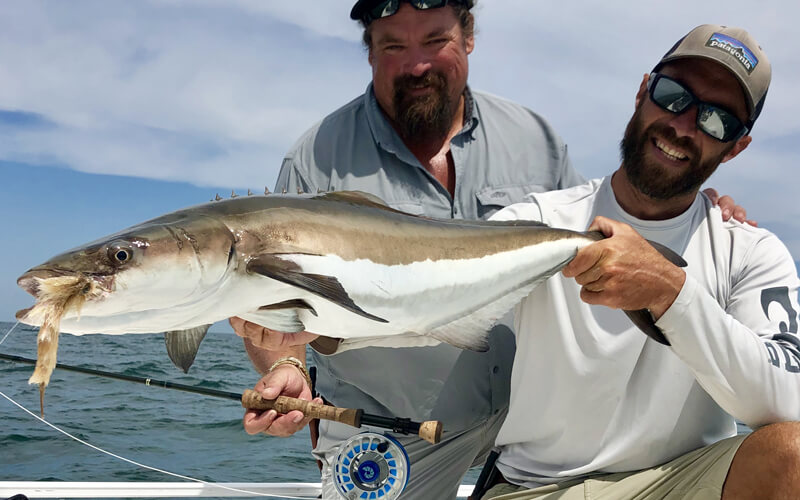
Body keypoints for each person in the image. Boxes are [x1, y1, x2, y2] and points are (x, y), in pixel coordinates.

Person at [232, 3, 748, 497]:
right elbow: (276, 303)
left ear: (470, 36)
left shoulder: (536, 139)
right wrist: (289, 369)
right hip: (390, 425)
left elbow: (595, 238)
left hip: (530, 422)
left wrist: (691, 206)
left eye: (437, 40)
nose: (416, 64)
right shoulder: (314, 157)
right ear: (368, 52)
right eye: (393, 46)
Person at [478, 24, 800, 499]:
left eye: (718, 121)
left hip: (680, 483)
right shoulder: (539, 220)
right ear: (642, 90)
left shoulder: (749, 251)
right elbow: (425, 304)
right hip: (537, 488)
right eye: (673, 95)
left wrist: (671, 293)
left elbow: (789, 399)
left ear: (737, 147)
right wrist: (332, 324)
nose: (684, 124)